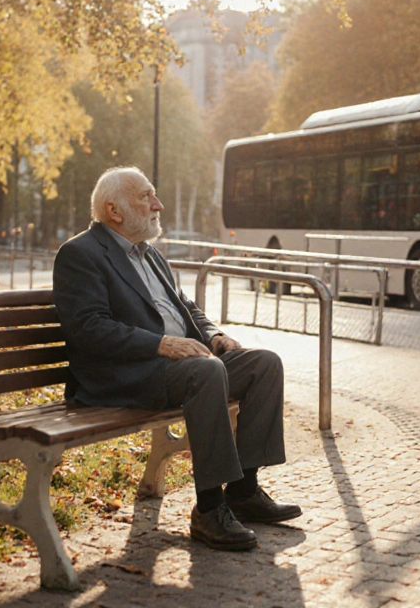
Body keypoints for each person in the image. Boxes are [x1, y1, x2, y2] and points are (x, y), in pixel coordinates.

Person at [52, 166, 300, 551]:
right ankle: (209, 508)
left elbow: (185, 307)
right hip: (125, 375)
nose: (158, 205)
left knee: (264, 364)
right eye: (146, 196)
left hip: (181, 367)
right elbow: (88, 328)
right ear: (114, 211)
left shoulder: (150, 255)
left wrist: (214, 334)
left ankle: (243, 490)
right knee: (205, 372)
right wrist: (160, 344)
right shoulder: (80, 254)